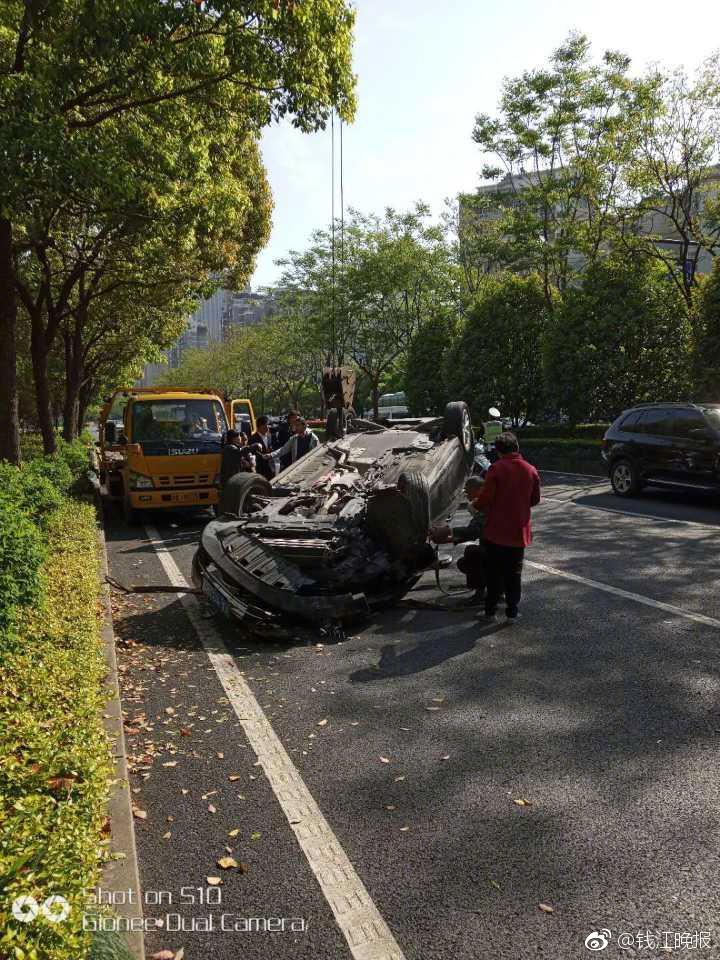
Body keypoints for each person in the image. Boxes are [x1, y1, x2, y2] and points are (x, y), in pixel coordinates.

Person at [470, 432, 540, 623]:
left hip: (495, 532)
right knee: (513, 575)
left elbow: (485, 498)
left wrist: (475, 505)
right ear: (517, 447)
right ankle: (512, 614)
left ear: (499, 452)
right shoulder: (531, 470)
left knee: (493, 574)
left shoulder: (496, 469)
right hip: (518, 533)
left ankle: (490, 613)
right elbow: (535, 499)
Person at [430, 476, 487, 605]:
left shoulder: (487, 504)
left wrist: (447, 531)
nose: (466, 494)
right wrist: (444, 539)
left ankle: (481, 594)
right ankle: (495, 590)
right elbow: (471, 533)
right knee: (467, 558)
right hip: (502, 548)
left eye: (468, 490)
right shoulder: (484, 503)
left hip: (500, 550)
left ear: (479, 489)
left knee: (472, 553)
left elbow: (473, 531)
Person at [251, 415, 275, 481]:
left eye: (268, 425)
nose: (267, 428)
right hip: (260, 469)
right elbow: (253, 453)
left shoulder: (269, 435)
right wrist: (263, 455)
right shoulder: (253, 438)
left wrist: (270, 450)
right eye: (265, 426)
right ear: (259, 427)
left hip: (271, 468)